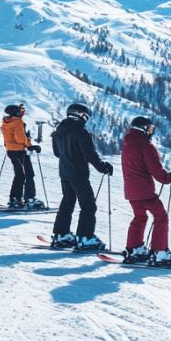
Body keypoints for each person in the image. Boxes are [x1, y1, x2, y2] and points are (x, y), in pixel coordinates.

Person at [50, 103, 114, 251]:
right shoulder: (80, 132)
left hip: (64, 173)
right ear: (80, 115)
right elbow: (90, 154)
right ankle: (85, 238)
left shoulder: (58, 131)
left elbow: (57, 153)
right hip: (78, 173)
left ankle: (61, 235)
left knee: (68, 202)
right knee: (88, 205)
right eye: (86, 116)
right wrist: (102, 167)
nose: (86, 119)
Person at [120, 116, 171, 266]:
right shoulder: (146, 146)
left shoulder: (127, 145)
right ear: (144, 129)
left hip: (131, 192)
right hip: (145, 191)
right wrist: (168, 178)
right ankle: (160, 252)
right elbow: (156, 170)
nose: (151, 132)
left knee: (140, 217)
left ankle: (134, 249)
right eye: (150, 128)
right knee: (161, 216)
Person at [1, 105, 44, 209]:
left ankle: (14, 199)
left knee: (19, 175)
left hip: (11, 151)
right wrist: (30, 145)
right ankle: (30, 199)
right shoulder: (17, 122)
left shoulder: (6, 122)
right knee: (29, 174)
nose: (22, 114)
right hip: (20, 151)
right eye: (20, 112)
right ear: (16, 113)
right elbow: (20, 138)